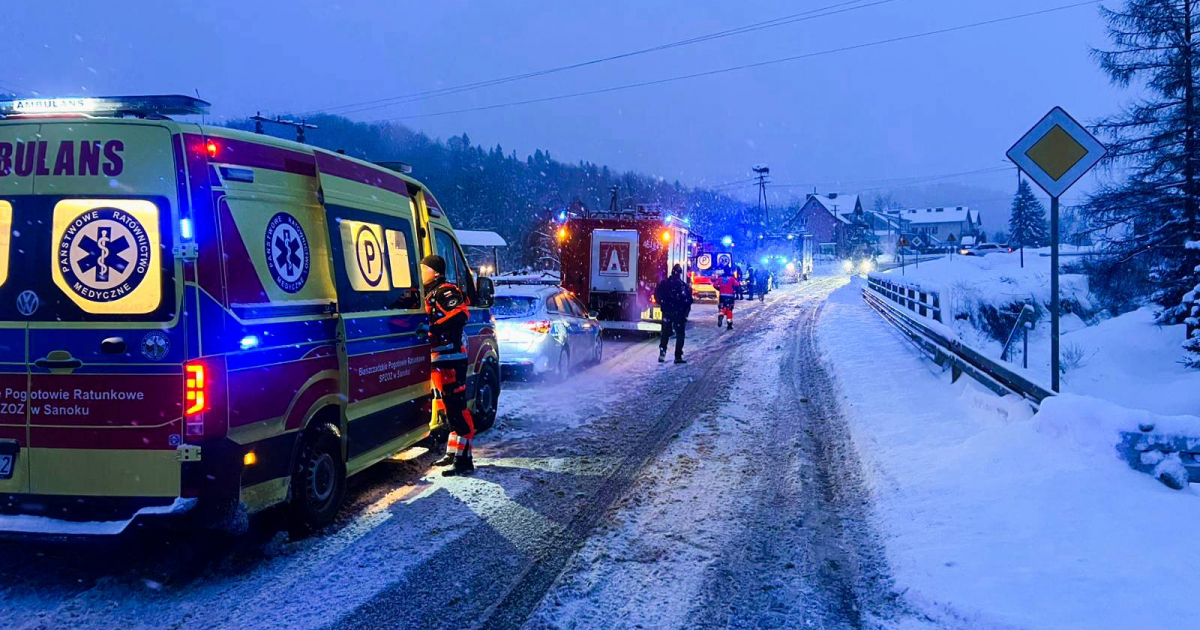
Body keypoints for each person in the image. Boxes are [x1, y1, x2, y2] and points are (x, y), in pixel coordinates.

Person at [421, 255, 476, 477]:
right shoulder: (428, 293)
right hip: (439, 359)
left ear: (435, 272)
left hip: (451, 358)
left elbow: (459, 314)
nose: (421, 272)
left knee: (457, 408)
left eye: (424, 269)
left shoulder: (446, 291)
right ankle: (453, 453)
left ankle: (465, 460)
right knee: (447, 409)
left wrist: (432, 327)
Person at [653, 264, 693, 364]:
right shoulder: (683, 285)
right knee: (680, 334)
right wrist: (685, 311)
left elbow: (656, 294)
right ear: (680, 273)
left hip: (667, 311)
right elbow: (688, 300)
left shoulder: (664, 283)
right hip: (678, 313)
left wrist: (662, 303)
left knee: (665, 333)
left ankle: (662, 353)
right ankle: (678, 356)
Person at [712, 265, 739, 331]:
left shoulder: (720, 278)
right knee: (729, 309)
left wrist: (719, 289)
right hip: (730, 296)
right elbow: (737, 284)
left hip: (722, 295)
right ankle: (729, 324)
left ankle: (721, 315)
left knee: (722, 307)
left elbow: (714, 285)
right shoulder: (732, 278)